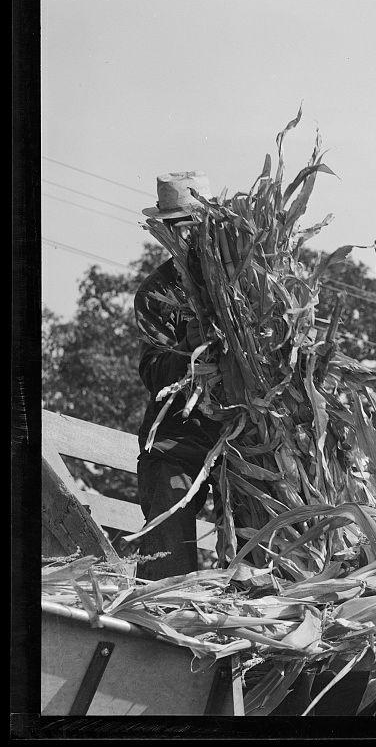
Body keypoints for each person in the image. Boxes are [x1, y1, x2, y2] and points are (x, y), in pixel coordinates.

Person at [134, 171, 222, 579]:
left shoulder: (249, 282)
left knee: (263, 537)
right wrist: (188, 354)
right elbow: (153, 369)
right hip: (176, 437)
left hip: (248, 436)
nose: (183, 235)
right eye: (173, 226)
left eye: (190, 224)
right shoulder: (155, 293)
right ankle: (159, 625)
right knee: (167, 558)